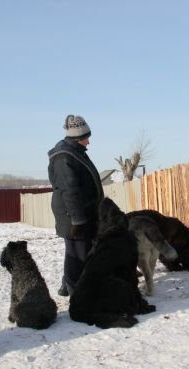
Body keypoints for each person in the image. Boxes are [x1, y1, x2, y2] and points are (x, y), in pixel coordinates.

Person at [48, 115, 104, 296]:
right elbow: (69, 190)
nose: (89, 141)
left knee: (77, 251)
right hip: (72, 215)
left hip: (79, 212)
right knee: (77, 254)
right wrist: (78, 220)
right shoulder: (65, 157)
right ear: (79, 136)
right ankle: (75, 293)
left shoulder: (74, 153)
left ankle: (67, 287)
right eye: (87, 137)